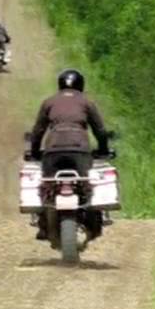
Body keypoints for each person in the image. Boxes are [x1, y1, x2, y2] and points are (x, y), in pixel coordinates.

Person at [27, 68, 111, 239]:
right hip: (80, 150)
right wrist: (104, 149)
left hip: (53, 151)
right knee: (87, 188)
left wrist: (34, 152)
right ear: (81, 85)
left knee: (47, 187)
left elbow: (38, 132)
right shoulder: (87, 102)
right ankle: (94, 220)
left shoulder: (49, 102)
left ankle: (43, 224)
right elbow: (100, 131)